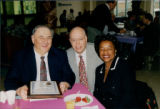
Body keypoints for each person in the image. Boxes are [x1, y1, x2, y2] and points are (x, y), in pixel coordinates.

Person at [5, 25, 75, 100]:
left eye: (49, 37)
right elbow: (10, 81)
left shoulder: (60, 54)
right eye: (41, 37)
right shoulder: (20, 56)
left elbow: (70, 75)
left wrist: (66, 83)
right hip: (28, 98)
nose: (45, 41)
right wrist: (19, 89)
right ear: (33, 39)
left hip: (54, 97)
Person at [94, 34, 136, 108]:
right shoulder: (98, 70)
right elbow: (97, 94)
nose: (105, 52)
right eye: (102, 49)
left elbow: (128, 97)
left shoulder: (125, 68)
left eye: (109, 49)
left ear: (115, 50)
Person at [66, 26, 102, 93]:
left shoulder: (98, 51)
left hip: (97, 96)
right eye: (73, 40)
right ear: (70, 41)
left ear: (86, 38)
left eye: (80, 39)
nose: (77, 43)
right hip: (76, 96)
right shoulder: (65, 55)